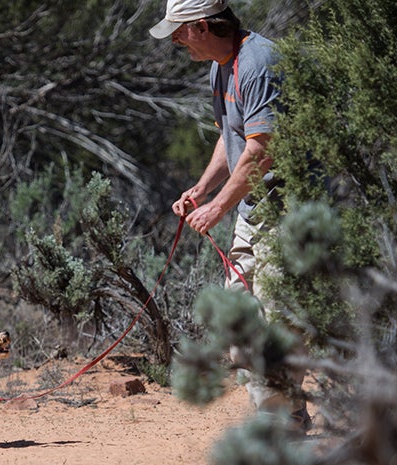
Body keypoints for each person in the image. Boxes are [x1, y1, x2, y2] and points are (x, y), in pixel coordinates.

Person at [149, 0, 311, 431]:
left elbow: (261, 149)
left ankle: (283, 422)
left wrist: (218, 206)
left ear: (203, 26)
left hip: (288, 208)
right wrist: (202, 189)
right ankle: (282, 412)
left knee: (279, 319)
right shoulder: (220, 67)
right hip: (253, 206)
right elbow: (232, 136)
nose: (177, 41)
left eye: (181, 32)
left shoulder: (258, 63)